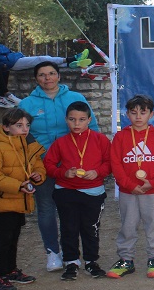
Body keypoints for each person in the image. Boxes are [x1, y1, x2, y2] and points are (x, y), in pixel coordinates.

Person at [19, 61, 100, 273]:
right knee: (46, 208)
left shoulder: (75, 98)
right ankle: (52, 252)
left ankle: (71, 253)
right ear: (36, 79)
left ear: (59, 76)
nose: (48, 78)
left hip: (74, 163)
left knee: (72, 210)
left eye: (52, 74)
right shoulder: (27, 104)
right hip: (42, 164)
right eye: (42, 75)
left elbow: (93, 129)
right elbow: (20, 135)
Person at [0, 108, 46, 290]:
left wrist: (38, 176)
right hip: (3, 202)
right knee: (3, 240)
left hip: (19, 200)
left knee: (14, 237)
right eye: (19, 125)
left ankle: (11, 270)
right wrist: (18, 186)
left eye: (27, 125)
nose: (24, 129)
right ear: (6, 127)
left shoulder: (27, 144)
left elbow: (38, 165)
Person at [43, 101, 111, 280]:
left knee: (91, 228)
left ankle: (91, 261)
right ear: (66, 120)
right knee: (69, 227)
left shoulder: (100, 140)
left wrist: (97, 172)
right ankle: (71, 262)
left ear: (89, 120)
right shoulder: (60, 142)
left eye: (81, 119)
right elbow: (48, 165)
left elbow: (109, 163)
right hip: (66, 190)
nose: (76, 124)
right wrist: (63, 173)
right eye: (72, 119)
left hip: (93, 191)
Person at [108, 95, 154, 279]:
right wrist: (128, 184)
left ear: (150, 114)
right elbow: (115, 164)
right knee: (128, 225)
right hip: (129, 191)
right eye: (133, 112)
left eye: (142, 112)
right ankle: (126, 260)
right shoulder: (120, 137)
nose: (138, 116)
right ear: (127, 114)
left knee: (153, 225)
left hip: (151, 190)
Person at [0, 28, 90, 71]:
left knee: (46, 61)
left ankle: (71, 64)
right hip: (11, 64)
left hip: (16, 59)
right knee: (42, 59)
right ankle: (71, 59)